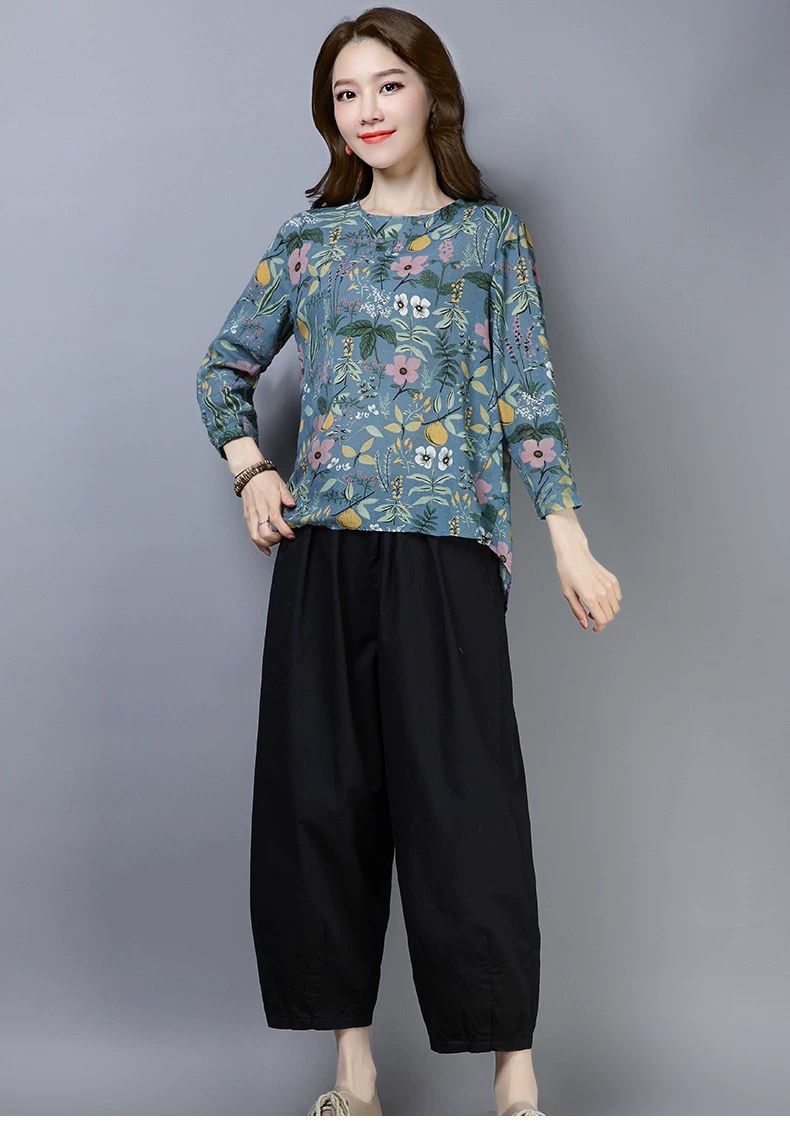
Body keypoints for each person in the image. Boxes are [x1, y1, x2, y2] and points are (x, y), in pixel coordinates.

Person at [195, 5, 621, 1118]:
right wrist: (252, 470)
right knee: (324, 804)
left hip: (448, 554)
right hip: (326, 556)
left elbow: (527, 395)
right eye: (346, 94)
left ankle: (514, 1075)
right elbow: (222, 369)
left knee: (465, 805)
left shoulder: (490, 239)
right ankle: (354, 1070)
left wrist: (568, 536)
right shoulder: (310, 243)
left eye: (387, 84)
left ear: (432, 91)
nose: (367, 110)